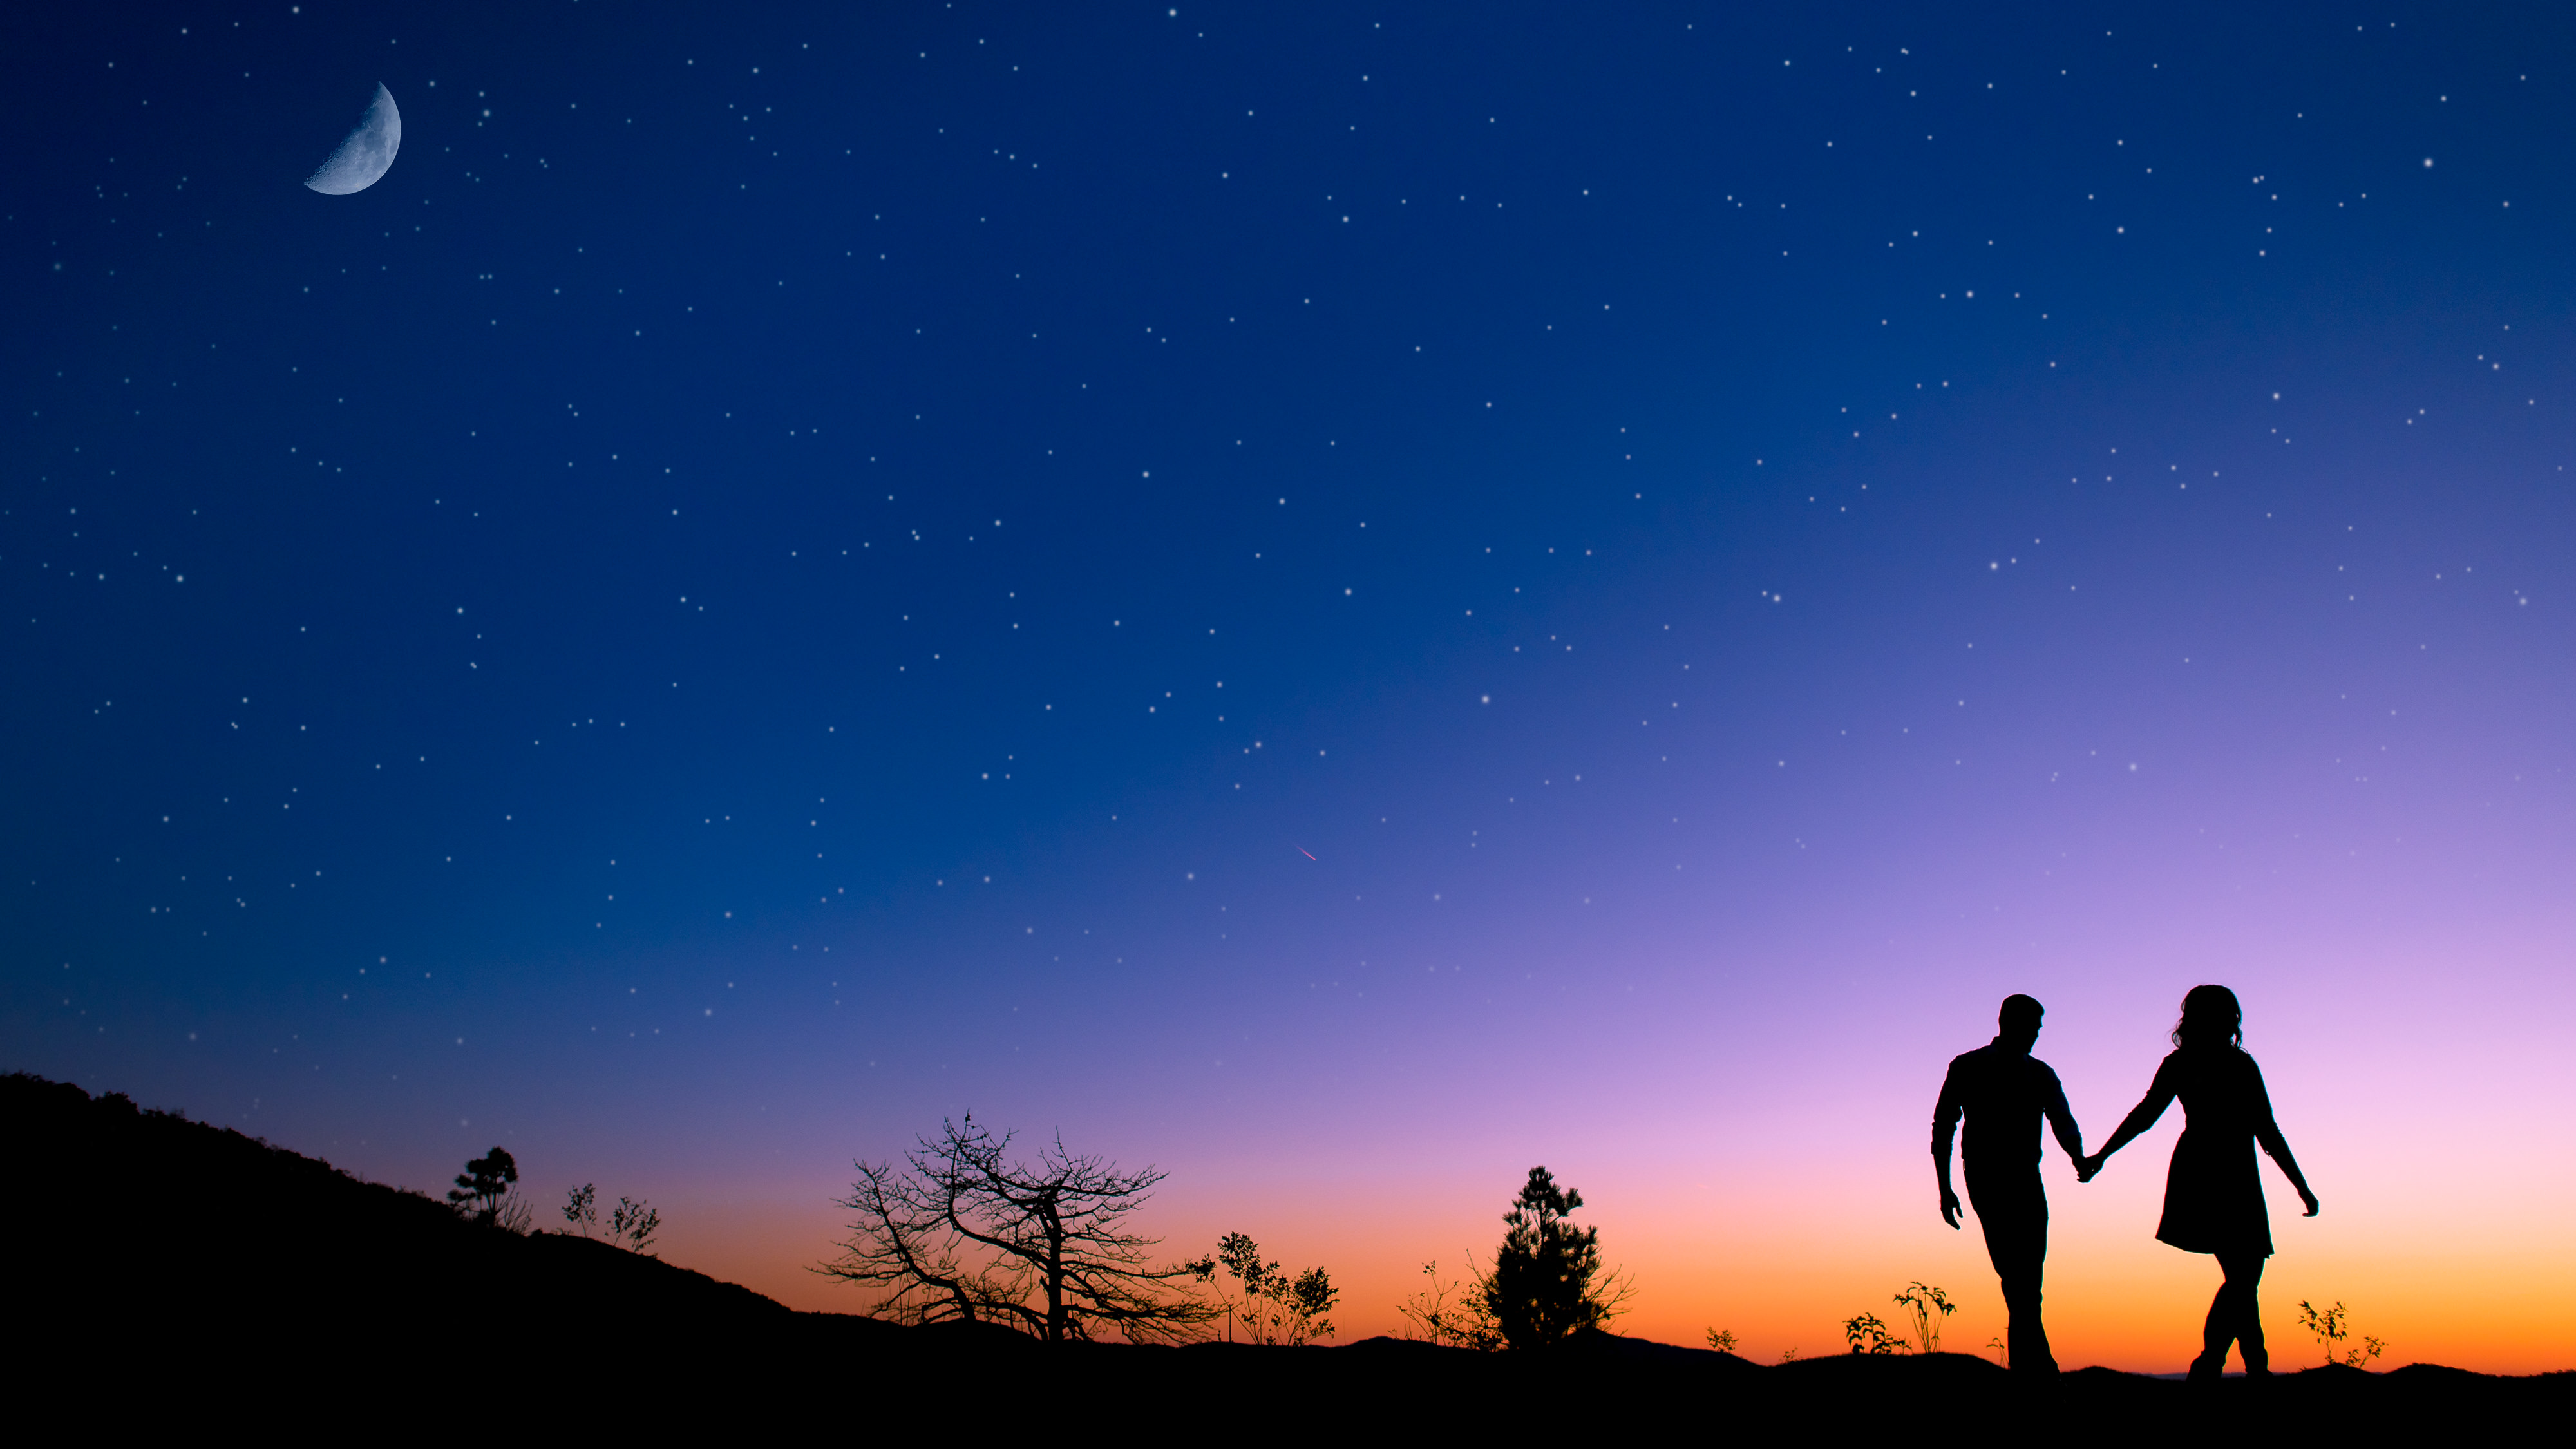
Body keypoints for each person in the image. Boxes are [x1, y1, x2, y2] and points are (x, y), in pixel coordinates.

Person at [2077, 985, 2318, 1380]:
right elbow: (2149, 1114)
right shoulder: (2220, 1065)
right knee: (2244, 1278)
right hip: (2217, 1171)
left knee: (2243, 1279)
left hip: (2224, 1169)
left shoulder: (2202, 1063)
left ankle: (2229, 1366)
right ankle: (2229, 1366)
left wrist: (2301, 1185)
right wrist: (2102, 1155)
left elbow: (2264, 1129)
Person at [1932, 994, 2084, 1374]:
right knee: (2019, 1278)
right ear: (2007, 1023)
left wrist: (2078, 1156)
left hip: (2027, 1181)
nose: (2035, 1034)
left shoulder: (2041, 1073)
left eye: (2038, 1028)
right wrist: (1944, 1187)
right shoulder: (1967, 1066)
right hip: (1986, 1181)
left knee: (2025, 1279)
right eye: (2031, 1026)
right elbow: (1944, 1127)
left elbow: (2062, 1120)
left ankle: (2029, 1372)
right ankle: (2040, 1372)